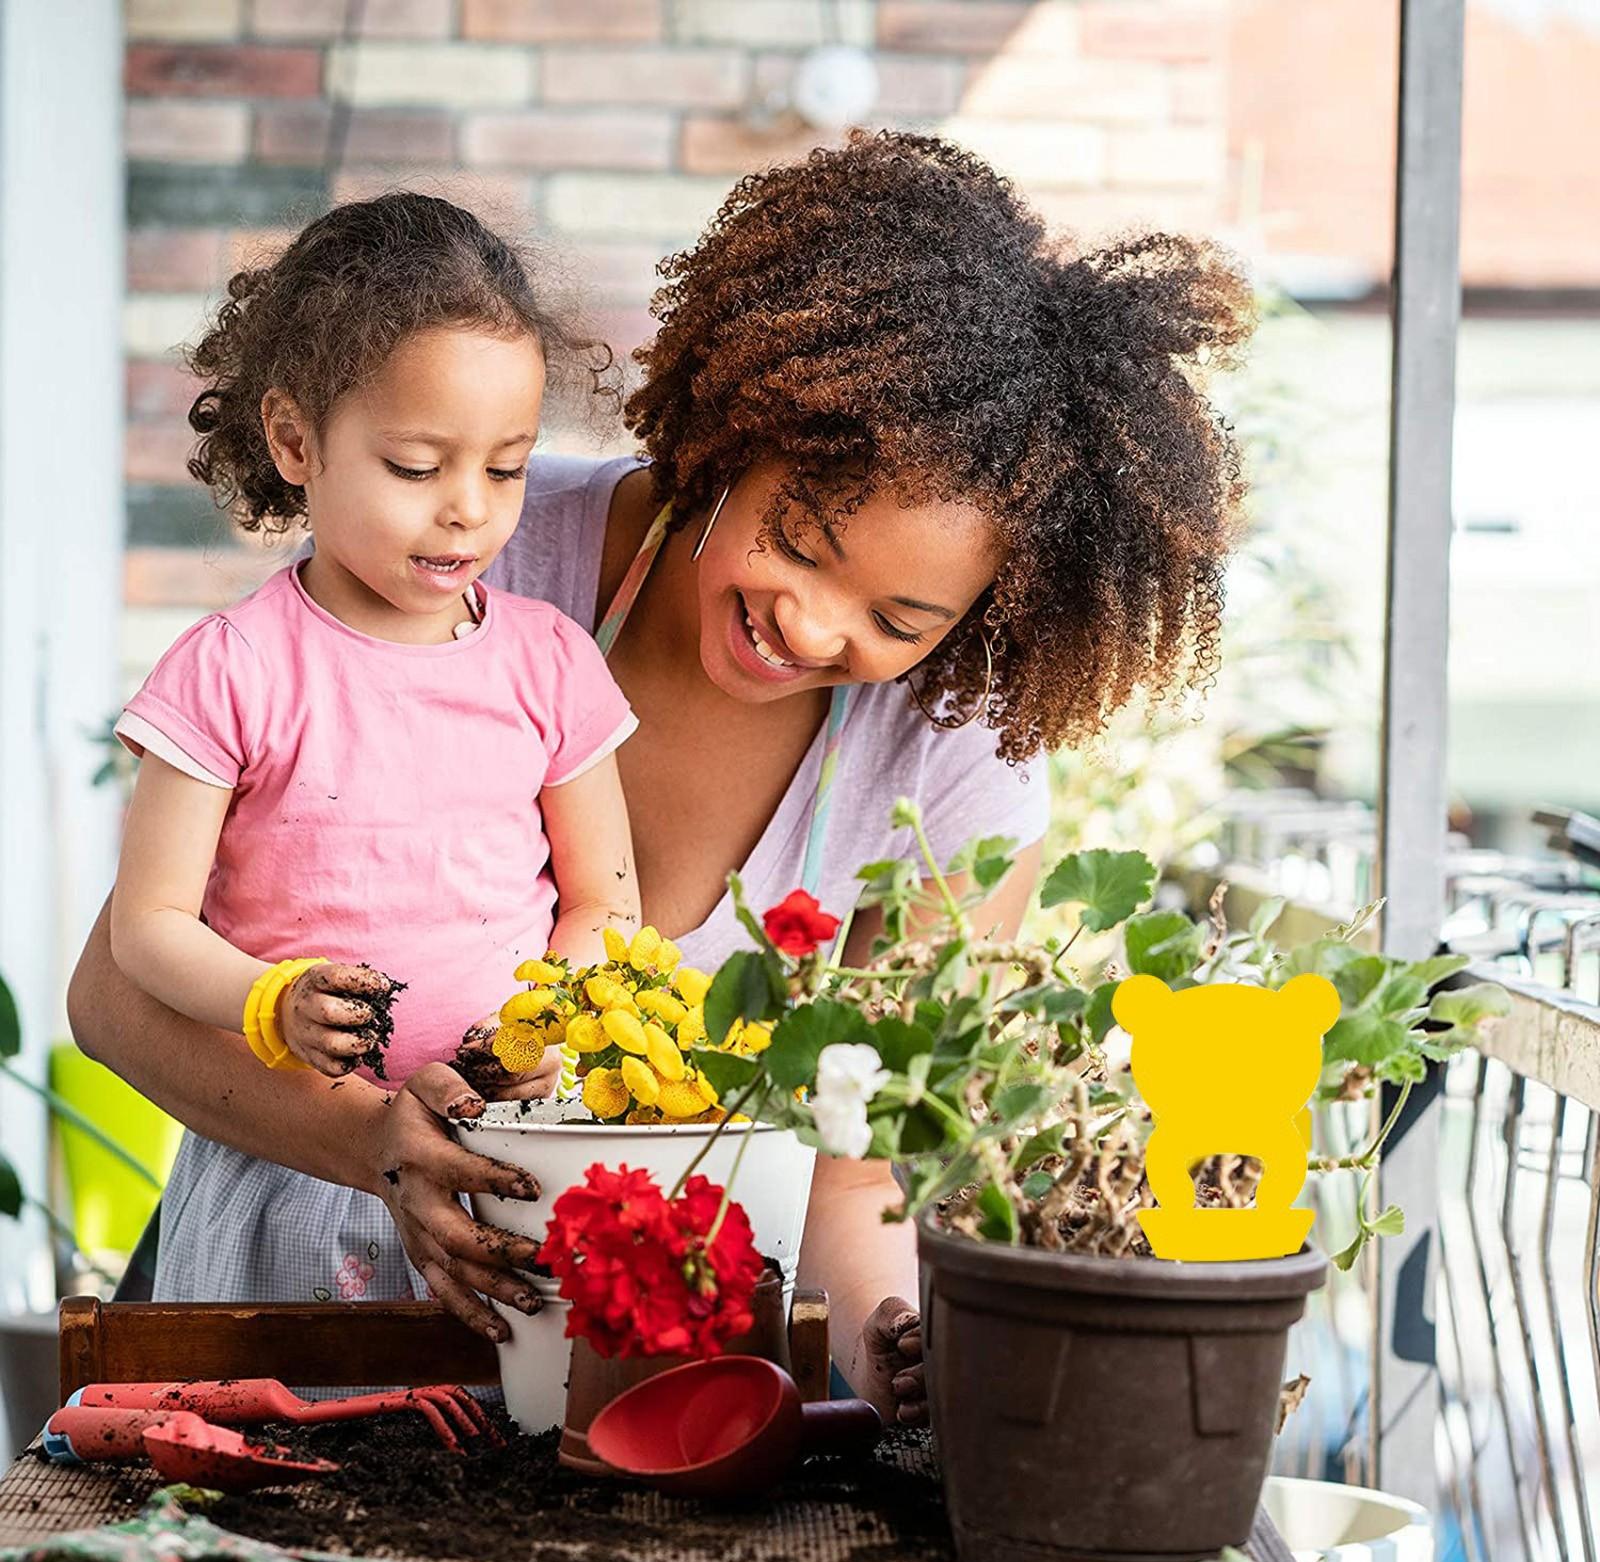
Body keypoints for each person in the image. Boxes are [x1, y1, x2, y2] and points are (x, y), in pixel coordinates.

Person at [70, 132, 1252, 1425]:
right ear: (741, 424)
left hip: (638, 1364)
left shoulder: (955, 773)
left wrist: (891, 1337)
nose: (809, 626)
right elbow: (117, 994)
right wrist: (372, 1146)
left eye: (899, 618)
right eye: (795, 540)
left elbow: (862, 1185)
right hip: (294, 1295)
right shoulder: (476, 557)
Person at [106, 191, 638, 1309]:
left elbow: (605, 905)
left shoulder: (549, 663)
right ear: (296, 441)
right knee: (291, 1464)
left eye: (505, 468)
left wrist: (555, 1023)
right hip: (292, 1169)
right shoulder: (229, 670)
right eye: (414, 466)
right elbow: (145, 931)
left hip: (504, 1163)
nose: (467, 512)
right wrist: (267, 1000)